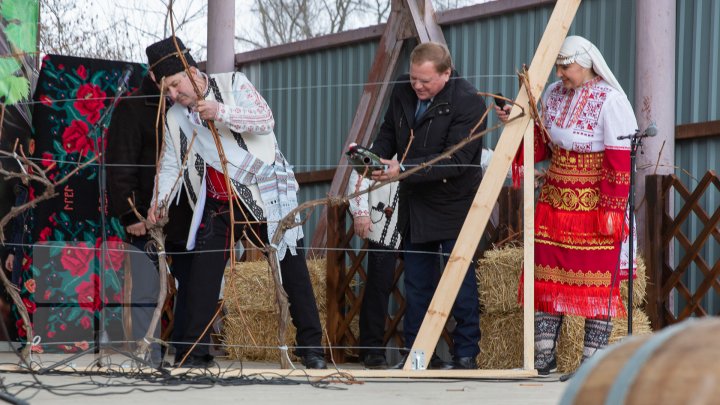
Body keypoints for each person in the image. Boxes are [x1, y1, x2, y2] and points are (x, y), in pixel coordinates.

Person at [144, 37, 326, 369]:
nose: (172, 95)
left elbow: (264, 119)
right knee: (202, 273)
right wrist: (160, 200)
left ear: (189, 70)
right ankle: (195, 352)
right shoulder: (174, 117)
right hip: (217, 202)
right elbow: (171, 164)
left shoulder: (232, 84)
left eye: (173, 85)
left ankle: (312, 347)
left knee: (292, 267)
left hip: (264, 192)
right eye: (165, 91)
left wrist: (220, 112)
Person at [496, 35, 637, 376]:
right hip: (554, 202)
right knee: (547, 276)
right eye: (558, 66)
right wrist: (516, 126)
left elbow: (620, 162)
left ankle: (592, 363)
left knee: (597, 282)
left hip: (594, 208)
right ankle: (543, 358)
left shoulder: (610, 100)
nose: (560, 72)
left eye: (566, 66)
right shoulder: (554, 95)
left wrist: (611, 211)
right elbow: (542, 147)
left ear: (586, 64)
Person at [369, 42, 486, 370]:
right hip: (415, 202)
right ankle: (418, 355)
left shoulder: (468, 101)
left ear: (446, 74)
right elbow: (389, 131)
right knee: (417, 284)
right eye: (413, 79)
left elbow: (458, 159)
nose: (417, 86)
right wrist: (377, 156)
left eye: (425, 81)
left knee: (459, 282)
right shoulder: (403, 91)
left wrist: (403, 170)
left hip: (454, 202)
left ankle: (465, 355)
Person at [106, 73, 195, 368]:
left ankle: (187, 354)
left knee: (192, 283)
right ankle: (149, 356)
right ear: (155, 73)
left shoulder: (189, 105)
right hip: (144, 216)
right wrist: (130, 213)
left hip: (185, 215)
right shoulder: (132, 107)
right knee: (145, 287)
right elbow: (120, 162)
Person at [347, 168, 400, 369]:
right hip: (383, 223)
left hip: (418, 222)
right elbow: (359, 176)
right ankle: (371, 349)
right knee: (379, 283)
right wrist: (360, 212)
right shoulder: (380, 147)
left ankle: (418, 348)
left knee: (422, 284)